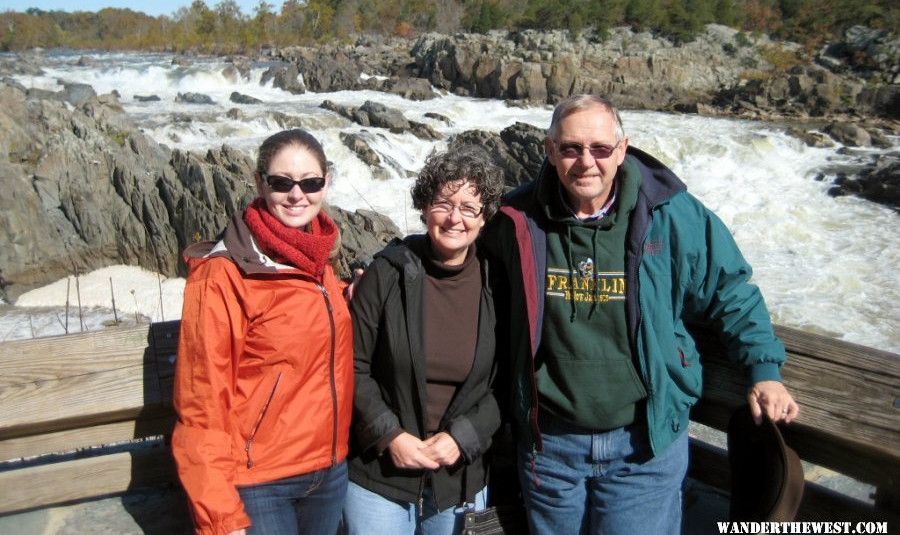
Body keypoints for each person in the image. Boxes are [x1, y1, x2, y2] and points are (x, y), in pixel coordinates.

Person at [481, 94, 799, 534]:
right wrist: (385, 270)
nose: (585, 162)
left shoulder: (670, 214)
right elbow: (457, 265)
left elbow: (730, 290)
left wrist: (764, 370)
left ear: (623, 149)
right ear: (550, 151)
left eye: (600, 148)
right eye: (571, 148)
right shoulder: (516, 220)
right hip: (549, 445)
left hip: (644, 446)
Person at [172, 129, 353, 535]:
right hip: (259, 482)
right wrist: (219, 514)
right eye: (281, 182)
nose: (296, 194)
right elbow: (201, 401)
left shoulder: (319, 259)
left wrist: (348, 293)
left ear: (325, 183)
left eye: (310, 182)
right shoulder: (224, 273)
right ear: (259, 183)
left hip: (329, 471)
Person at [342, 145, 505, 535]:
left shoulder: (498, 283)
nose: (454, 218)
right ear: (423, 208)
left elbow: (510, 381)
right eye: (443, 203)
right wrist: (389, 435)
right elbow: (351, 363)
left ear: (485, 218)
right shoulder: (387, 272)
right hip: (379, 474)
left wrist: (462, 437)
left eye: (469, 207)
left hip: (460, 475)